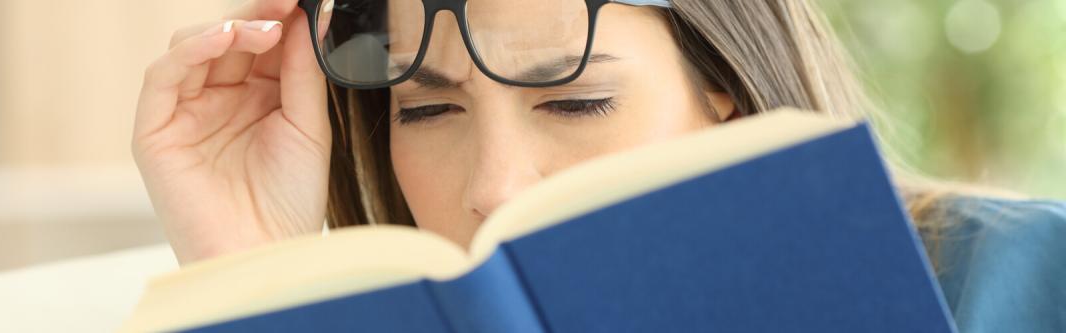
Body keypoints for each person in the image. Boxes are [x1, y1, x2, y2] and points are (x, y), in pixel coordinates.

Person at [131, 0, 1065, 331]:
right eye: (427, 109)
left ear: (722, 81)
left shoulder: (1023, 285)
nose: (493, 185)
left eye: (574, 101)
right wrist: (252, 271)